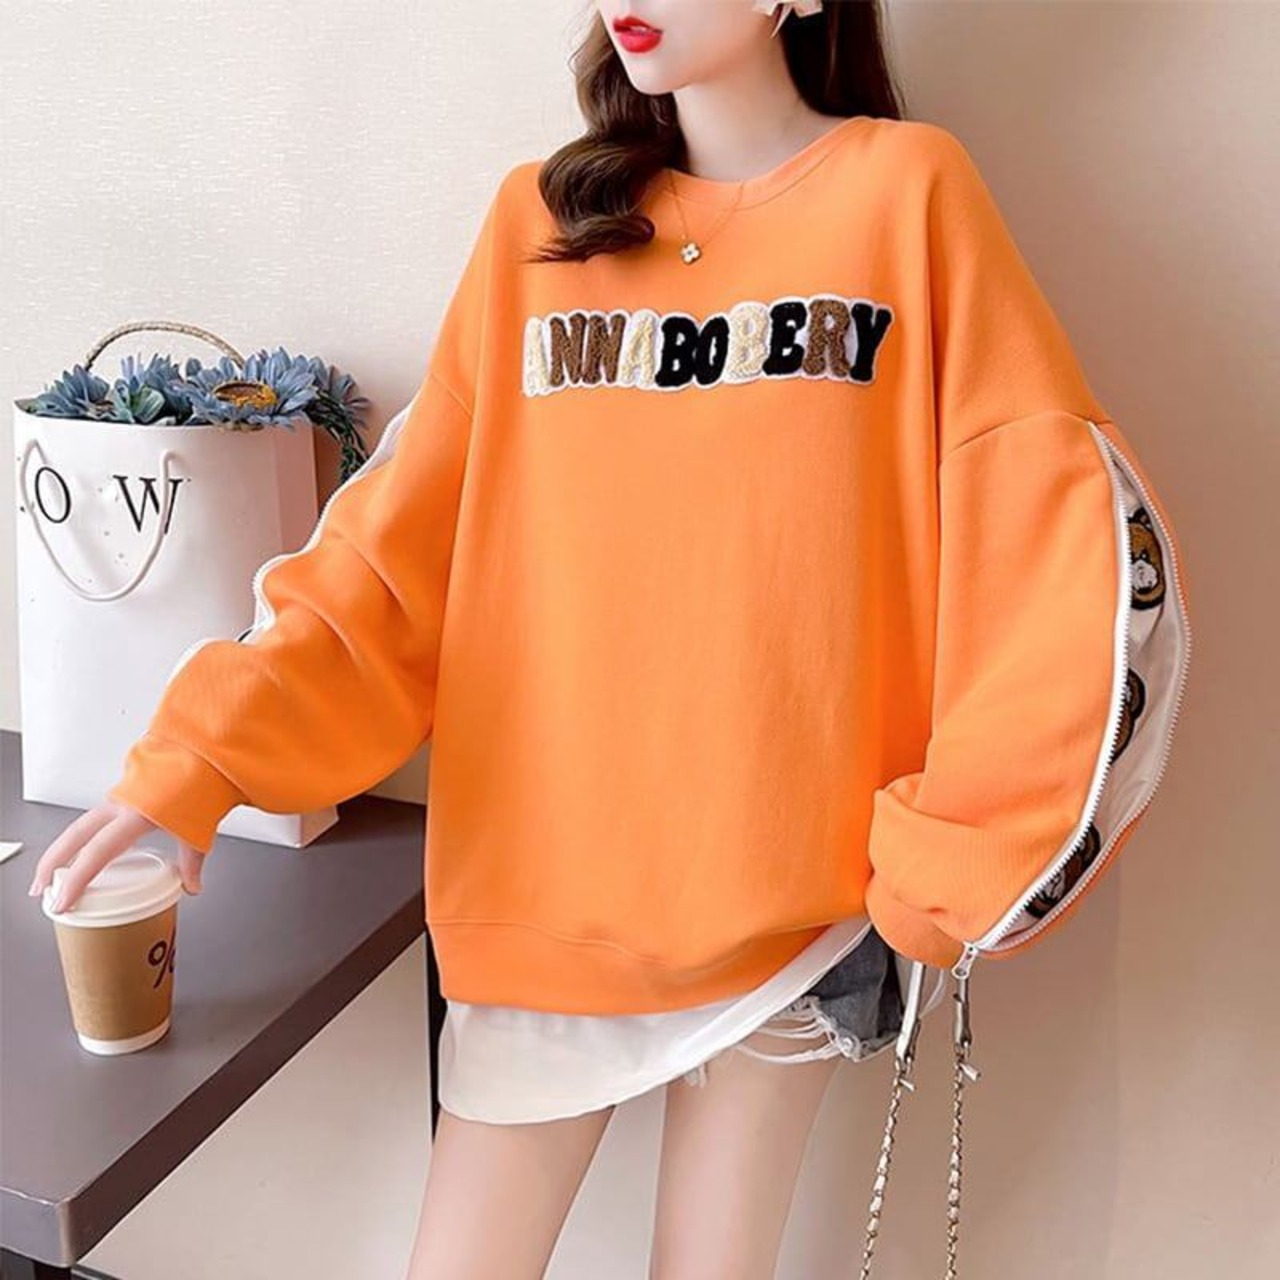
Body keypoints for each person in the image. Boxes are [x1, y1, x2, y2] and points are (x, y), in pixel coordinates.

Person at [28, 2, 1193, 1276]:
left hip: (787, 903)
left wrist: (956, 852)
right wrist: (198, 758)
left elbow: (1045, 526)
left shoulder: (905, 194)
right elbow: (396, 552)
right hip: (543, 892)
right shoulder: (540, 224)